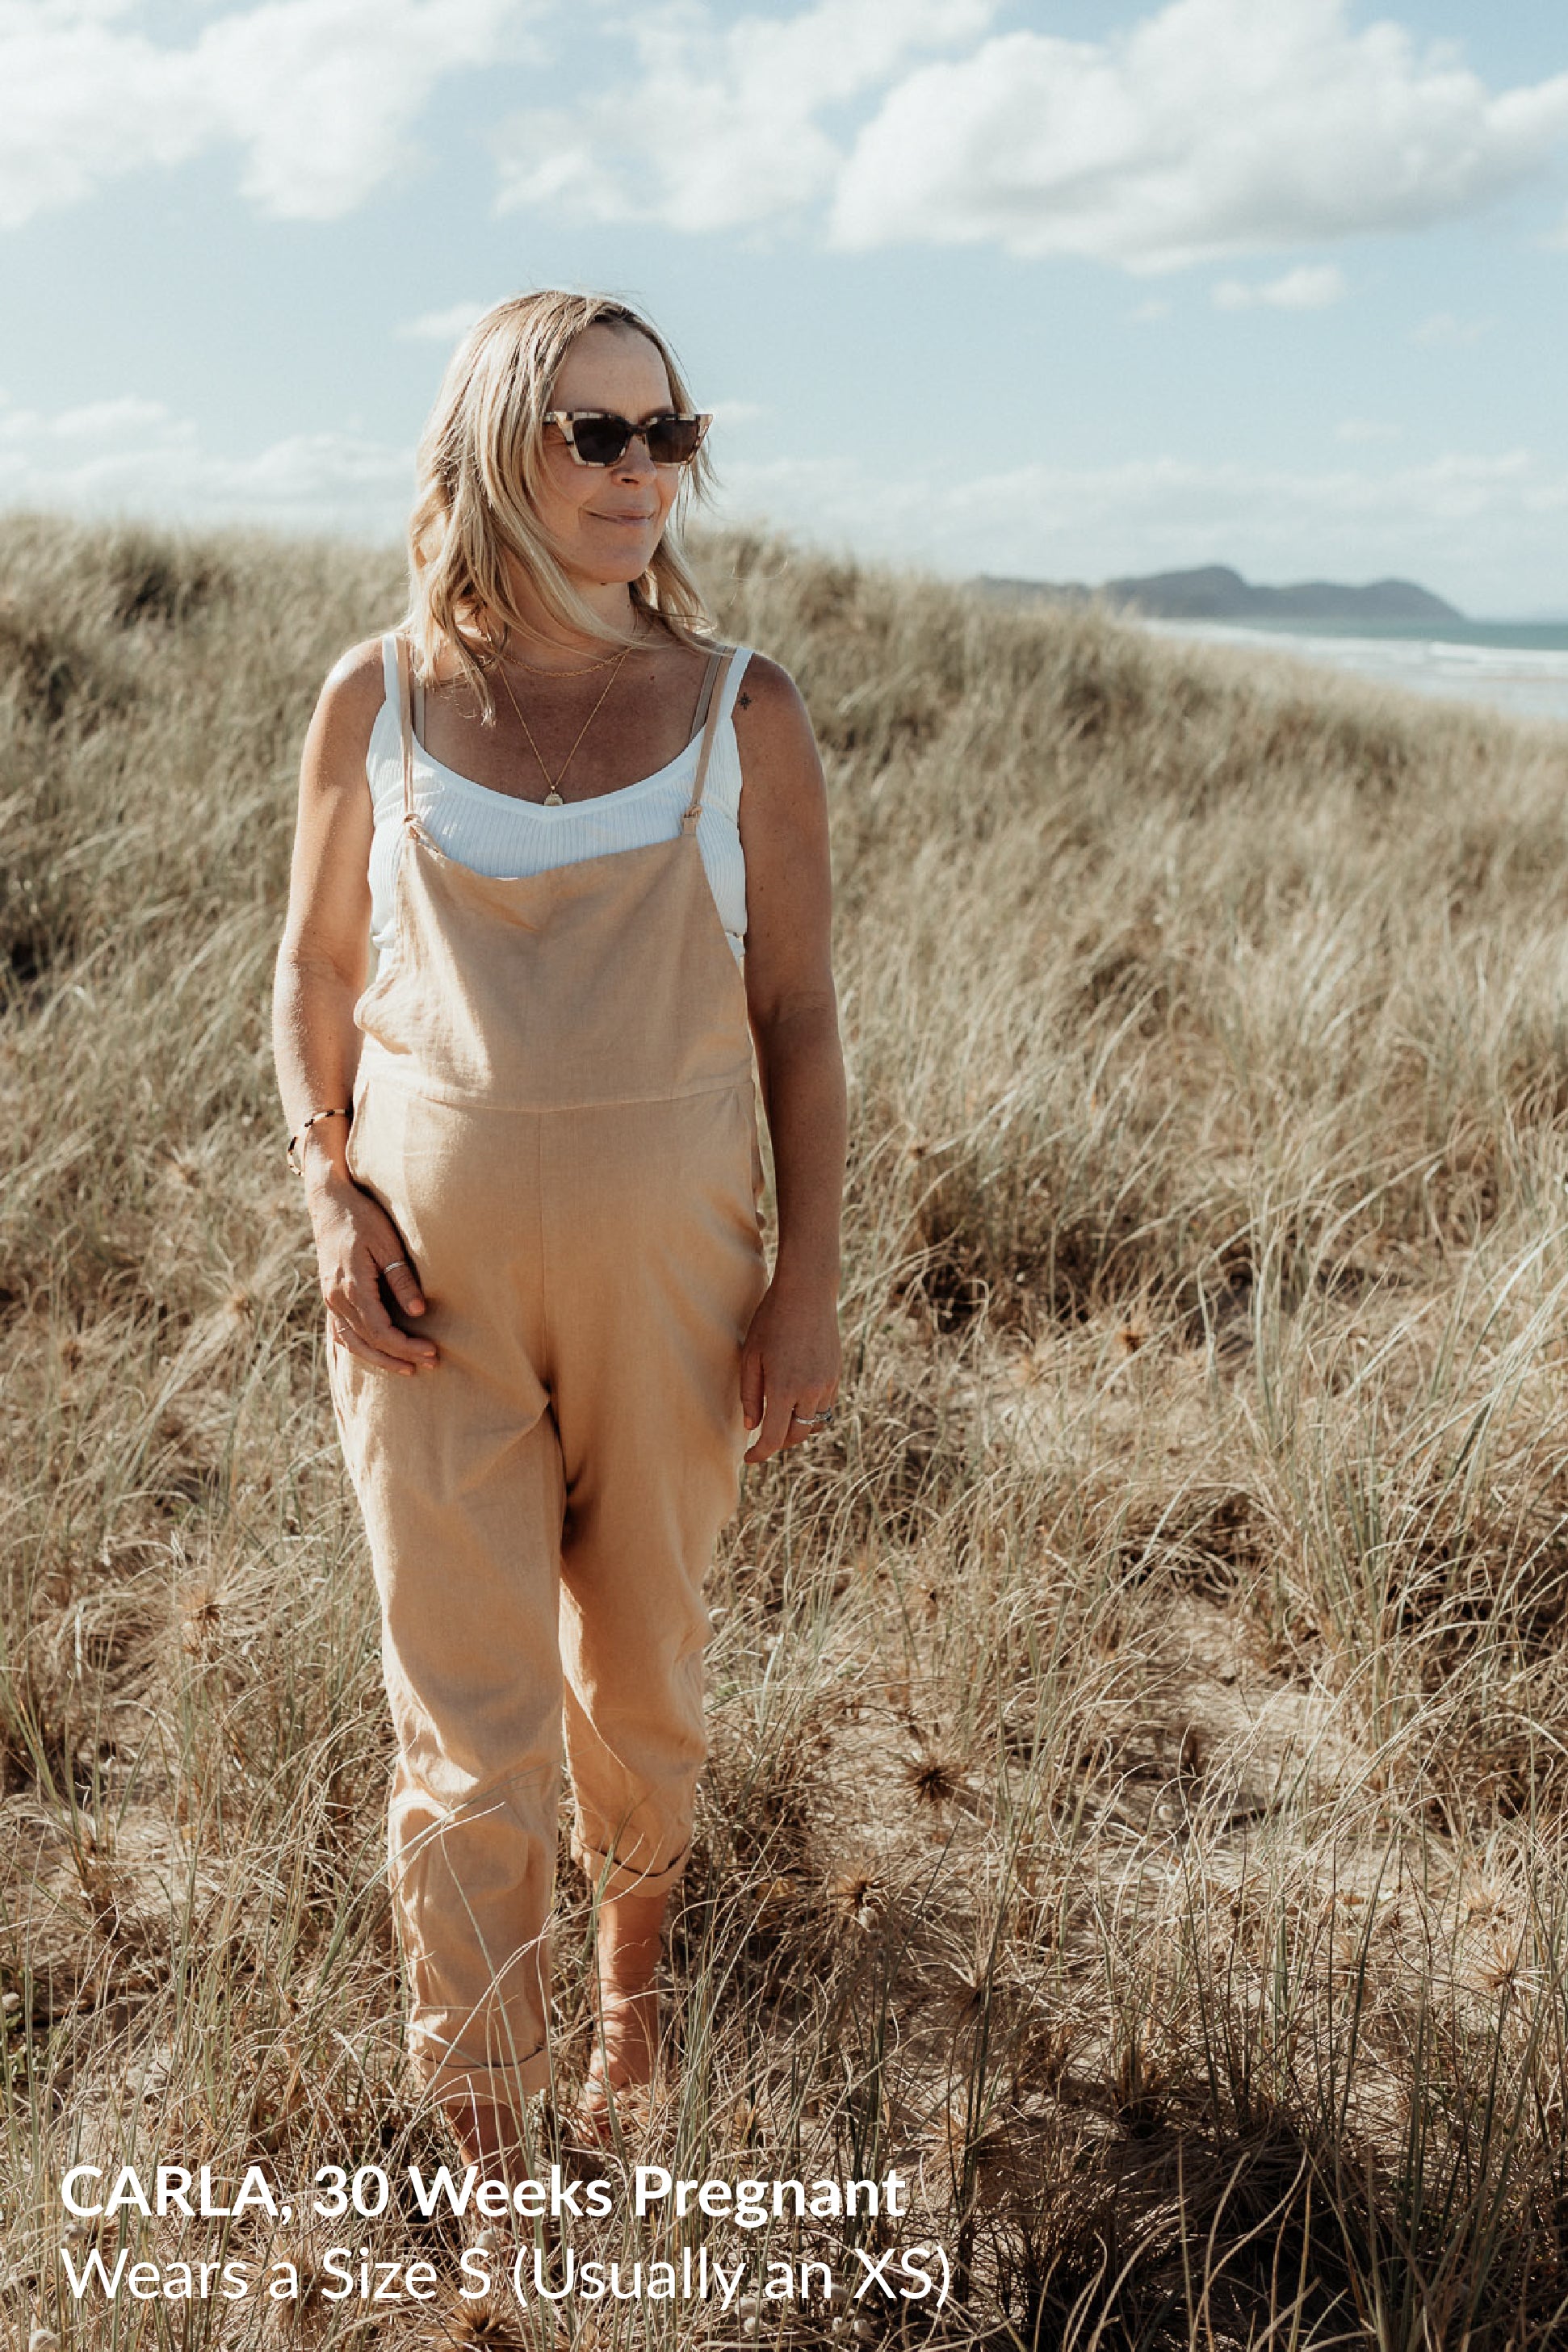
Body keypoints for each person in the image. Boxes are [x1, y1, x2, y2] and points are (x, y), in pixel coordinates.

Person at [270, 290, 845, 2170]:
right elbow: (314, 969)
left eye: (662, 434)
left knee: (647, 1672)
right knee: (466, 1707)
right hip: (422, 1298)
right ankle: (495, 2142)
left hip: (676, 1280)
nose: (634, 474)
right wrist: (324, 1191)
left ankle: (629, 1996)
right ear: (492, 444)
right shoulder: (376, 694)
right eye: (590, 433)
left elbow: (797, 1019)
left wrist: (808, 1285)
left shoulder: (740, 708)